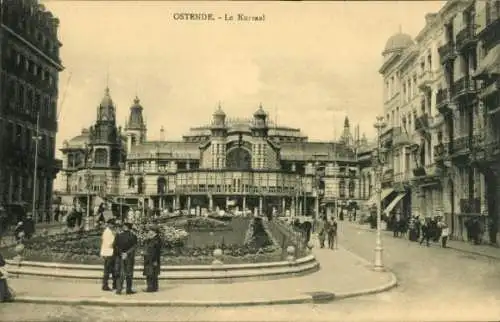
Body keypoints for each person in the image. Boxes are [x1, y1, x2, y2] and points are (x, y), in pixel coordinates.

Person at [114, 222, 138, 295]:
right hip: (129, 257)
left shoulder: (118, 235)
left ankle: (119, 290)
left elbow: (115, 246)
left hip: (120, 256)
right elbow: (134, 246)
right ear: (130, 228)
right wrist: (127, 253)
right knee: (129, 273)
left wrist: (122, 253)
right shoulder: (133, 236)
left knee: (120, 273)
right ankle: (128, 289)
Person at [143, 225, 162, 292]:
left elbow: (157, 251)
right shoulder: (151, 239)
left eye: (150, 231)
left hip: (152, 260)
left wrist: (155, 260)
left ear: (154, 232)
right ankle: (154, 287)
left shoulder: (156, 240)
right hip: (149, 259)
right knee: (152, 274)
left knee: (151, 274)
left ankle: (150, 288)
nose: (148, 232)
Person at [100, 219, 117, 291]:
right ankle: (105, 285)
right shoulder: (108, 232)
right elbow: (109, 244)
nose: (113, 226)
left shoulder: (108, 231)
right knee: (108, 270)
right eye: (112, 224)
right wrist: (116, 239)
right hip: (109, 253)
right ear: (109, 224)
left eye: (113, 224)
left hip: (108, 252)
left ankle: (113, 284)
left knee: (111, 270)